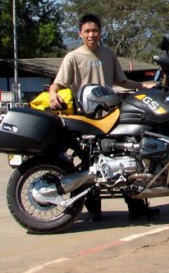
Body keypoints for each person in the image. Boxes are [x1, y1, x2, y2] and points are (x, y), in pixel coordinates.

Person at [49, 13, 159, 223]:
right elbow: (58, 83)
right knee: (90, 164)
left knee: (128, 158)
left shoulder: (108, 54)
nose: (92, 34)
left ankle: (137, 207)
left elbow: (122, 81)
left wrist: (144, 86)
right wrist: (53, 94)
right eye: (88, 31)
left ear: (101, 32)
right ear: (80, 33)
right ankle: (93, 211)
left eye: (95, 30)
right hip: (86, 119)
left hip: (111, 115)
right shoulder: (73, 57)